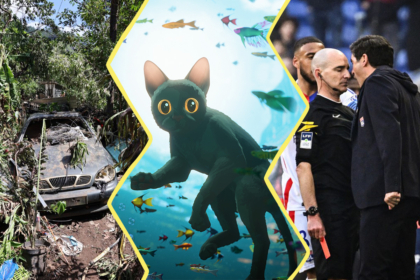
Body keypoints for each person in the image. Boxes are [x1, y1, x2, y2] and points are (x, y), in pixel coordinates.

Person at [269, 37, 357, 280]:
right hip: (298, 199)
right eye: (310, 55)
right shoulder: (282, 102)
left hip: (338, 202)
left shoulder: (348, 99)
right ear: (297, 61)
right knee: (311, 271)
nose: (314, 61)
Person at [350, 35, 420, 280]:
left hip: (384, 197)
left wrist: (391, 186)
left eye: (353, 62)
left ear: (365, 59)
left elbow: (388, 136)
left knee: (372, 272)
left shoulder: (376, 83)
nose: (352, 70)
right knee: (402, 271)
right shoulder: (408, 88)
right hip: (409, 195)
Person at [295, 48, 359, 280]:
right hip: (330, 212)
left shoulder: (350, 114)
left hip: (355, 208)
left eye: (347, 68)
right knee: (332, 275)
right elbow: (304, 166)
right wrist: (313, 214)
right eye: (339, 69)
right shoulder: (311, 117)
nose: (347, 75)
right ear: (319, 74)